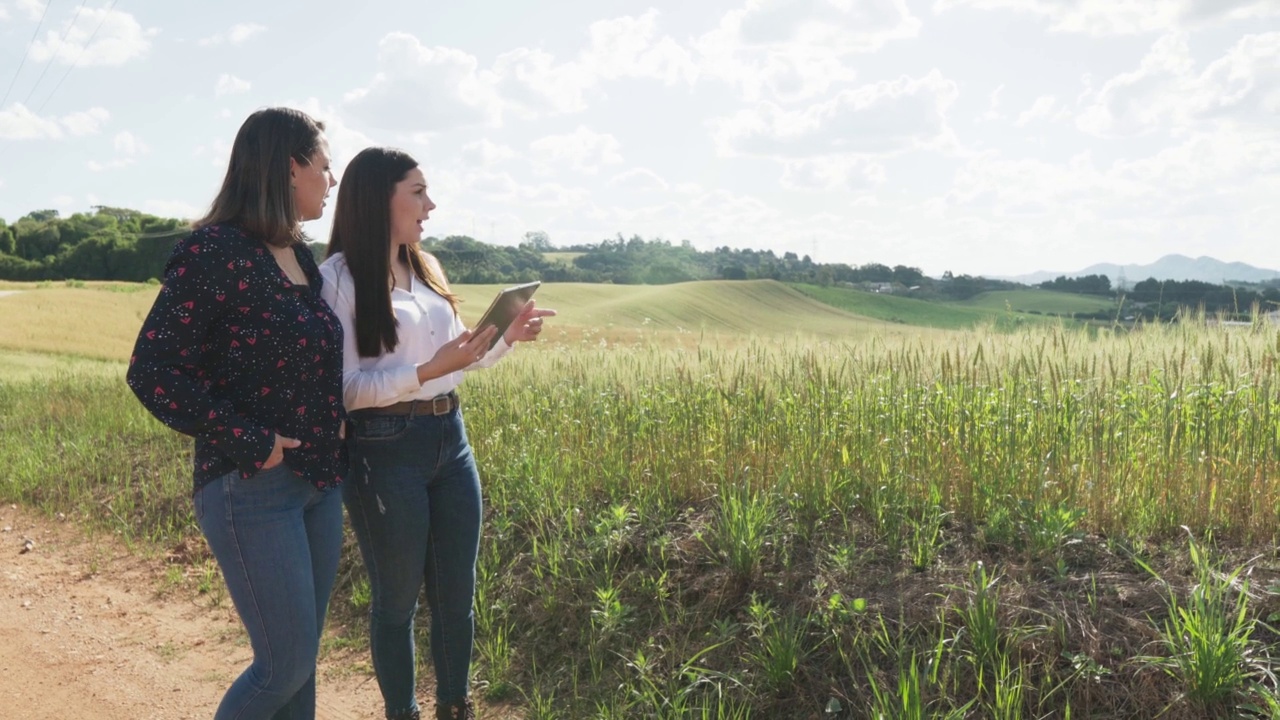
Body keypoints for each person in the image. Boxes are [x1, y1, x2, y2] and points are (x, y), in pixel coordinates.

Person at [126, 107, 347, 720]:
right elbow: (152, 371)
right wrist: (252, 440)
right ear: (291, 166)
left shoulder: (300, 256)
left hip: (318, 486)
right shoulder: (214, 252)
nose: (331, 182)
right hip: (251, 486)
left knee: (300, 670)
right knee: (284, 665)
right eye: (325, 168)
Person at [319, 146, 554, 720]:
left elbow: (459, 361)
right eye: (418, 192)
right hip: (383, 450)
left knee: (457, 596)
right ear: (380, 200)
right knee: (396, 602)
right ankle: (403, 712)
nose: (431, 205)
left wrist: (503, 340)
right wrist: (428, 370)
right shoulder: (338, 279)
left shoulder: (426, 267)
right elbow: (344, 390)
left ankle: (455, 707)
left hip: (451, 439)